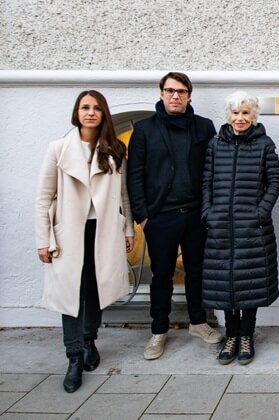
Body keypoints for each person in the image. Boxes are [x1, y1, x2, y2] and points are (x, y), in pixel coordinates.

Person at [35, 90, 135, 392]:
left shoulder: (115, 149)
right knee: (70, 295)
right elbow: (43, 197)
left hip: (103, 230)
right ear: (77, 112)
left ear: (104, 114)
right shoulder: (59, 149)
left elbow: (123, 194)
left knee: (97, 289)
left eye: (96, 108)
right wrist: (43, 238)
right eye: (84, 107)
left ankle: (90, 340)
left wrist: (128, 229)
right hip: (69, 233)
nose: (90, 113)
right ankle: (74, 357)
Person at [127, 72, 222, 360]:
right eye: (169, 91)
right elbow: (135, 175)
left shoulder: (204, 127)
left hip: (195, 214)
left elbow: (214, 169)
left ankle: (198, 322)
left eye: (181, 91)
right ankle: (159, 330)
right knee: (161, 276)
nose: (175, 96)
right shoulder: (144, 129)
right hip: (160, 218)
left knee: (197, 272)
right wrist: (143, 216)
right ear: (161, 94)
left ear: (189, 95)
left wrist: (211, 209)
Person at [202, 91, 279, 365]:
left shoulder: (264, 144)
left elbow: (274, 183)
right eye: (235, 113)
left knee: (250, 284)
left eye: (245, 113)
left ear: (254, 115)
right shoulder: (216, 145)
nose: (240, 118)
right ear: (228, 115)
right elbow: (207, 182)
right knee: (225, 284)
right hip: (220, 228)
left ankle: (246, 335)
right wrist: (208, 213)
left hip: (253, 229)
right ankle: (231, 336)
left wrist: (260, 213)